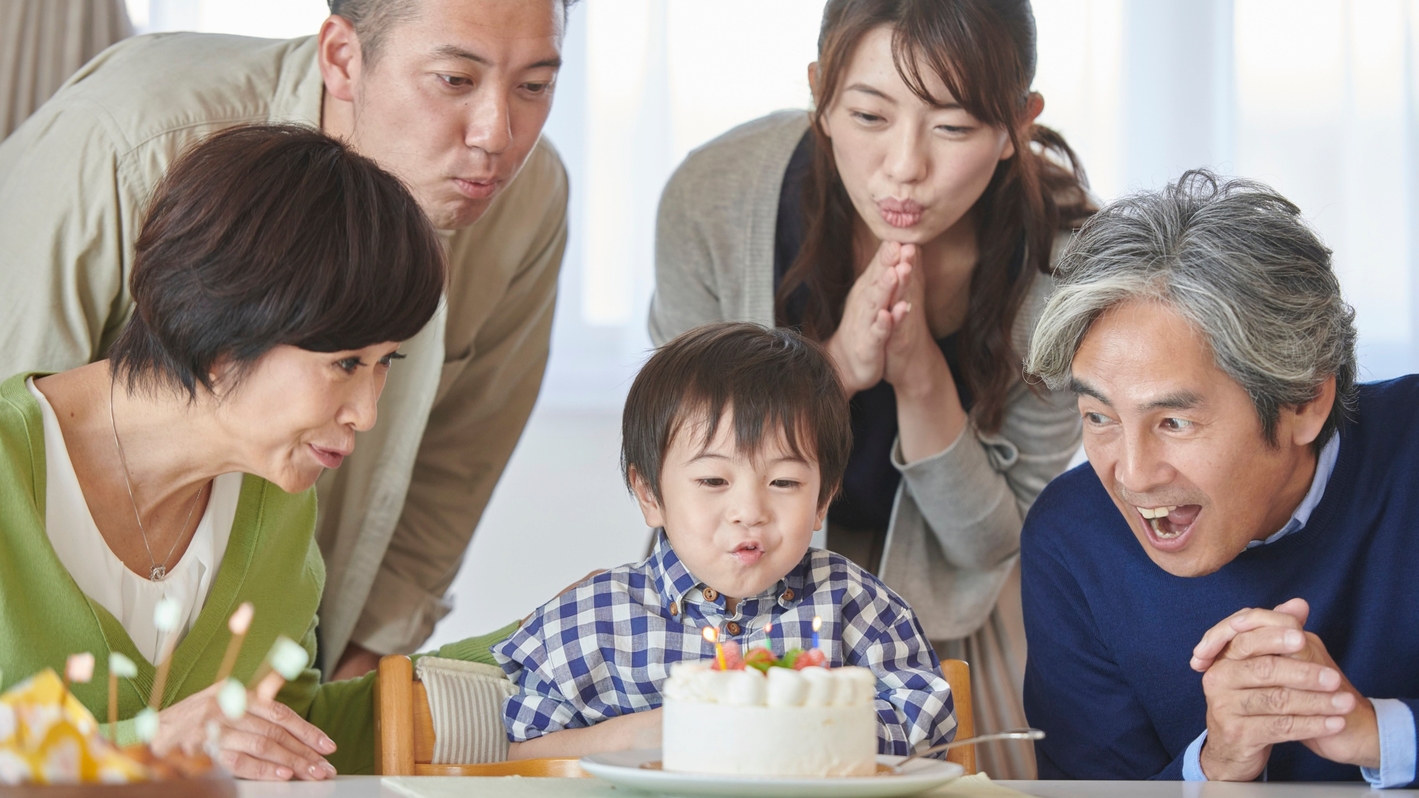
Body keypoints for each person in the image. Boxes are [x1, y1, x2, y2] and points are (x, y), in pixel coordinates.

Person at [0, 0, 573, 681]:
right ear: (342, 58)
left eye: (534, 86)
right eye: (453, 79)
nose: (497, 134)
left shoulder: (527, 196)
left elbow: (459, 457)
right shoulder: (129, 138)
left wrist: (371, 687)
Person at [649, 0, 1091, 776]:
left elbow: (990, 545)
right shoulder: (714, 198)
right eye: (868, 114)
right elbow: (688, 469)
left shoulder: (1068, 272)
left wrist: (918, 373)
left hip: (953, 634)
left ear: (1017, 123)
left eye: (951, 128)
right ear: (820, 91)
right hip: (727, 610)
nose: (903, 166)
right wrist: (833, 370)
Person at [0, 125, 509, 779]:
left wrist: (544, 649)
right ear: (220, 327)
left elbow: (295, 742)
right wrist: (135, 749)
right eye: (346, 362)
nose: (367, 412)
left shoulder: (272, 496)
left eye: (385, 363)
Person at [1020, 170, 1419, 787]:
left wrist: (1377, 731)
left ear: (1305, 402)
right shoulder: (1072, 540)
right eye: (1099, 417)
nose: (1131, 474)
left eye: (1174, 421)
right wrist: (1220, 764)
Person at [493, 323, 956, 758]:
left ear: (823, 500)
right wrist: (636, 735)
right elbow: (519, 754)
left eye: (784, 483)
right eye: (714, 480)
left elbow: (928, 724)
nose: (750, 512)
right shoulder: (591, 622)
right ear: (650, 494)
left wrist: (798, 727)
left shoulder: (857, 606)